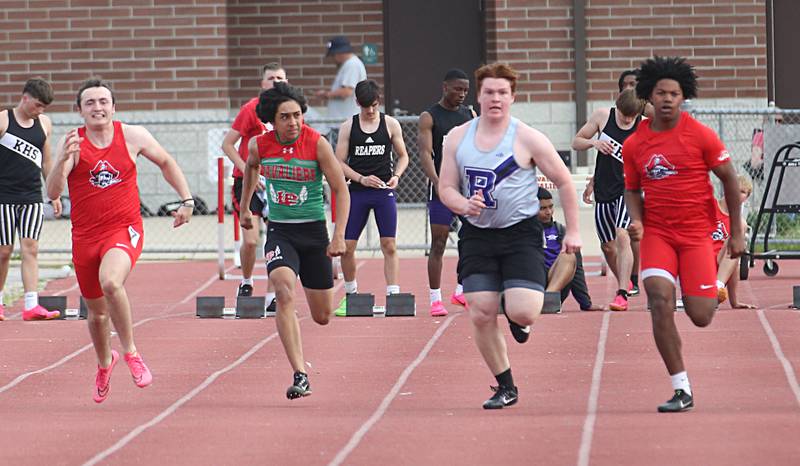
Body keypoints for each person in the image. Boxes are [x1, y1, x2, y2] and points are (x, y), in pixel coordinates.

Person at [439, 63, 581, 409]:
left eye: (502, 92)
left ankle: (516, 309)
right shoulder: (458, 137)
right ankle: (506, 385)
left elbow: (563, 181)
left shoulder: (528, 137)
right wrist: (463, 204)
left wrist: (574, 231)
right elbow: (445, 187)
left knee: (525, 312)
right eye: (489, 92)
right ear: (479, 95)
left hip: (520, 233)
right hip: (478, 234)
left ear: (513, 97)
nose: (495, 99)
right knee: (480, 311)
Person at [46, 78, 195, 403]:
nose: (97, 108)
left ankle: (131, 353)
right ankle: (104, 362)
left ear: (113, 107)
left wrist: (186, 199)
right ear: (80, 111)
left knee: (111, 282)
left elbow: (167, 162)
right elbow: (53, 192)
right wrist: (60, 162)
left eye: (103, 102)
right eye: (90, 103)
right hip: (85, 236)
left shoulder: (133, 135)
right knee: (96, 314)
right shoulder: (72, 142)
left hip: (124, 228)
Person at [623, 56, 744, 413]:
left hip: (696, 235)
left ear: (683, 97)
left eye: (674, 94)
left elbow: (731, 180)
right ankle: (681, 387)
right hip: (658, 234)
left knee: (701, 314)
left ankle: (705, 289)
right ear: (649, 96)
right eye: (661, 93)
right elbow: (632, 189)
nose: (667, 99)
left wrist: (736, 232)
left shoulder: (701, 135)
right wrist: (638, 220)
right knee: (659, 300)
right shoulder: (635, 145)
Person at [239, 82, 349, 400]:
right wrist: (246, 208)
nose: (293, 123)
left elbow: (340, 190)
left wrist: (338, 235)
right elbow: (250, 169)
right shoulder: (260, 145)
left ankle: (322, 288)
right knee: (284, 291)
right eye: (285, 117)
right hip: (281, 232)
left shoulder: (316, 144)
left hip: (314, 233)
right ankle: (300, 373)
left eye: (298, 115)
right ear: (272, 120)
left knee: (322, 316)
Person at [332, 80, 409, 316]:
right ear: (357, 103)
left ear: (379, 102)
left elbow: (404, 156)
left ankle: (394, 295)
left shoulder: (390, 124)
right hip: (357, 192)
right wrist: (360, 178)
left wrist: (396, 175)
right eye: (366, 107)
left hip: (383, 191)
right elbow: (337, 163)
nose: (371, 111)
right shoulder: (348, 127)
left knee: (389, 244)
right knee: (348, 247)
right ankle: (351, 294)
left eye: (374, 105)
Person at [221, 62, 287, 312]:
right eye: (271, 78)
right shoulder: (251, 109)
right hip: (247, 182)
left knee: (276, 239)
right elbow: (228, 144)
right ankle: (246, 282)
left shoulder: (289, 111)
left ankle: (272, 295)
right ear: (263, 83)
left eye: (281, 78)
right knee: (251, 240)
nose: (276, 82)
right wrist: (247, 169)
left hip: (278, 182)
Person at [572, 89, 645, 311]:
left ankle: (622, 292)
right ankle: (626, 281)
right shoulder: (602, 116)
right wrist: (594, 144)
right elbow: (577, 141)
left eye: (632, 117)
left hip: (629, 189)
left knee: (622, 235)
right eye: (624, 116)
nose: (627, 120)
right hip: (604, 187)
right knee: (607, 245)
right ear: (617, 108)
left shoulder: (644, 126)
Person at [0, 78, 61, 321]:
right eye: (37, 105)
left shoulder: (44, 123)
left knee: (31, 249)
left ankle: (31, 304)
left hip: (32, 196)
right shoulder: (4, 119)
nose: (40, 111)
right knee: (4, 252)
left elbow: (47, 161)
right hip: (3, 197)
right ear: (25, 98)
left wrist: (53, 193)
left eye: (44, 107)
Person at [418, 68, 476, 316]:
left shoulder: (470, 114)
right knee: (439, 242)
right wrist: (438, 183)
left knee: (473, 239)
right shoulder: (429, 117)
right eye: (457, 89)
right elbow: (425, 154)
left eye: (465, 90)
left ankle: (461, 289)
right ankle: (435, 298)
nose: (462, 94)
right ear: (445, 88)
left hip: (467, 187)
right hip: (442, 186)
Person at [535, 188, 602, 312]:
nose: (548, 212)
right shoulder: (524, 231)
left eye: (550, 207)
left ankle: (548, 300)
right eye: (542, 209)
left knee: (569, 256)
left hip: (556, 285)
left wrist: (585, 303)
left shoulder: (562, 231)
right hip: (532, 285)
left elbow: (577, 269)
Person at [713, 175, 755, 309]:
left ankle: (717, 288)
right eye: (736, 189)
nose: (739, 194)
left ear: (746, 198)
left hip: (719, 267)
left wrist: (734, 302)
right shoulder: (711, 206)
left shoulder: (739, 223)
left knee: (736, 244)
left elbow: (733, 265)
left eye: (743, 192)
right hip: (700, 260)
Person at [316, 36, 367, 140]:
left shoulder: (352, 64)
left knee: (340, 155)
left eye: (333, 55)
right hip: (343, 123)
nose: (334, 58)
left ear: (339, 52)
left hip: (345, 123)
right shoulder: (350, 64)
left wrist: (326, 94)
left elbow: (346, 92)